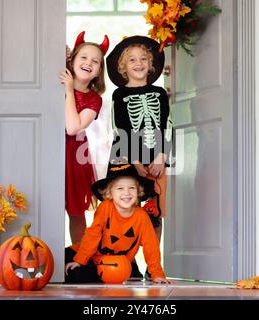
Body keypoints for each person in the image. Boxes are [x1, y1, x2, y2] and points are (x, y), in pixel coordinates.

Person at [105, 36, 173, 279]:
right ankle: (127, 263)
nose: (138, 63)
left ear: (151, 64)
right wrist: (135, 162)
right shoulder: (119, 95)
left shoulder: (160, 93)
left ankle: (154, 267)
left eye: (143, 59)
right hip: (126, 158)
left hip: (157, 158)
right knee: (126, 210)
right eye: (132, 60)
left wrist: (162, 155)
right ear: (123, 67)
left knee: (155, 213)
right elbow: (119, 128)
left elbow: (167, 123)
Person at [64, 162, 173, 284]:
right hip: (86, 253)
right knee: (60, 258)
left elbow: (151, 246)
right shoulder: (105, 208)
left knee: (76, 275)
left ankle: (99, 275)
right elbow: (92, 235)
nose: (126, 193)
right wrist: (79, 260)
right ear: (109, 192)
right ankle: (87, 271)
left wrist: (157, 274)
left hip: (113, 264)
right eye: (120, 188)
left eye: (132, 188)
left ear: (139, 192)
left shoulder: (141, 217)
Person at [59, 31, 110, 244]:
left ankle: (78, 257)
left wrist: (70, 92)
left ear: (99, 71)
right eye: (84, 57)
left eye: (95, 61)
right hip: (50, 150)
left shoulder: (94, 100)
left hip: (74, 155)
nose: (89, 62)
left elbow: (73, 127)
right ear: (72, 60)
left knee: (76, 211)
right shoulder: (54, 83)